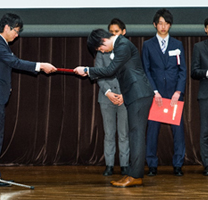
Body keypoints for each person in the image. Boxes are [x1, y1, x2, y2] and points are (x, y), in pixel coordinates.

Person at [0, 13, 57, 184]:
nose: (17, 34)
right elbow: (16, 63)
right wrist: (40, 66)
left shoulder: (2, 45)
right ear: (6, 27)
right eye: (16, 30)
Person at [74, 29, 154, 187]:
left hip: (139, 94)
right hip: (135, 94)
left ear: (103, 40)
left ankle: (135, 176)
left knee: (136, 137)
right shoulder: (120, 46)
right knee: (134, 136)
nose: (101, 51)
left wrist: (87, 70)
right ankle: (132, 174)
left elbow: (110, 70)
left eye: (99, 49)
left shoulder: (122, 45)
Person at [142, 8, 187, 176]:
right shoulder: (147, 45)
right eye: (160, 23)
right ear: (155, 25)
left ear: (170, 25)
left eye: (166, 23)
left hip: (174, 95)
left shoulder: (178, 44)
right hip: (156, 96)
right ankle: (152, 164)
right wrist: (154, 91)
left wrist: (178, 91)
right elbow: (146, 70)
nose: (163, 26)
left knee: (178, 131)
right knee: (152, 130)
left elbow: (182, 70)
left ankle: (178, 165)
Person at [95, 18, 129, 176]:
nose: (113, 35)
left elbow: (132, 74)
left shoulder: (128, 50)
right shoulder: (101, 51)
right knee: (109, 133)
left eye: (116, 32)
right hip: (106, 97)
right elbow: (98, 73)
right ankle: (109, 165)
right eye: (111, 32)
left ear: (123, 32)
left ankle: (125, 165)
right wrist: (108, 92)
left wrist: (123, 93)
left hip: (124, 97)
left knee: (124, 133)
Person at [191, 16, 208, 176]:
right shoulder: (199, 47)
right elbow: (194, 71)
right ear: (205, 29)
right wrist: (207, 72)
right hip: (206, 94)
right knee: (205, 131)